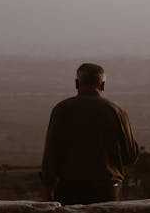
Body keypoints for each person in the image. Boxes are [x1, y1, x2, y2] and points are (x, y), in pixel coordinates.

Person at [39, 62, 140, 205]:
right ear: (103, 85)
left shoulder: (61, 110)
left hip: (69, 189)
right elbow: (130, 156)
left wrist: (46, 191)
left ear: (76, 83)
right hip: (107, 190)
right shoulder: (116, 111)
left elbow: (51, 154)